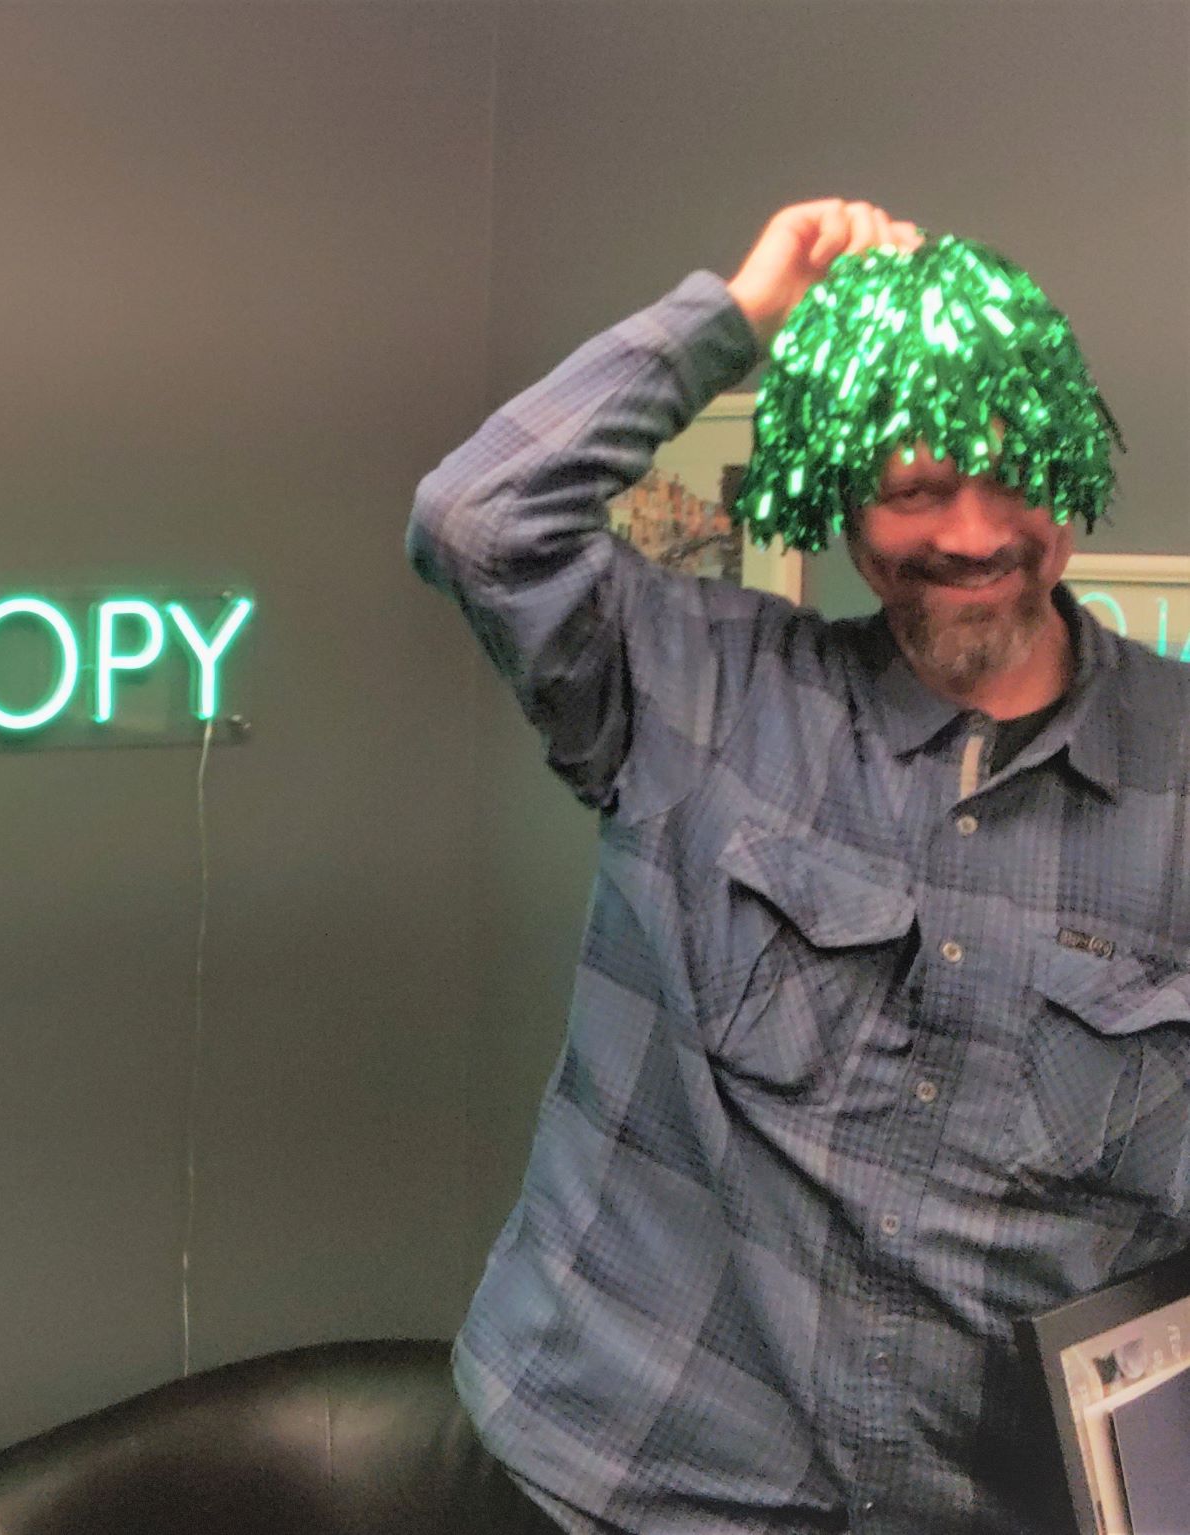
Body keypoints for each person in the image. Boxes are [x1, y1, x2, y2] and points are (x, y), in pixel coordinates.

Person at [411, 198, 1190, 1535]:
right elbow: (478, 521)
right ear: (841, 501)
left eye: (1014, 477)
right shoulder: (696, 686)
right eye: (913, 488)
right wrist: (741, 312)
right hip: (622, 1483)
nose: (972, 532)